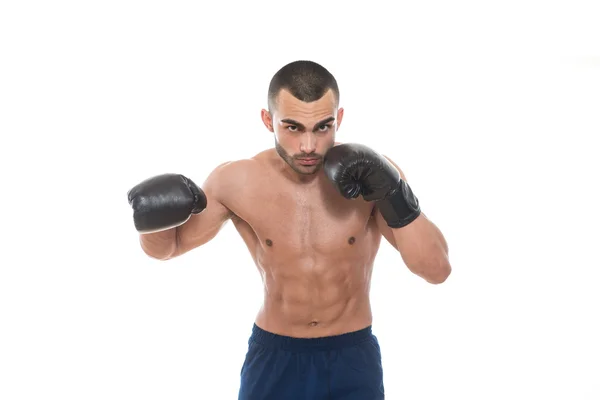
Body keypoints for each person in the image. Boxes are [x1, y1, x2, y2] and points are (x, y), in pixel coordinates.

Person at [127, 60, 451, 399]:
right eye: (293, 128)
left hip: (352, 356)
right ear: (268, 120)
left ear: (339, 119)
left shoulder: (373, 176)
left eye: (323, 127)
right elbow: (168, 247)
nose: (308, 146)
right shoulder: (237, 181)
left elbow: (436, 270)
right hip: (274, 355)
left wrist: (393, 191)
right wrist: (153, 220)